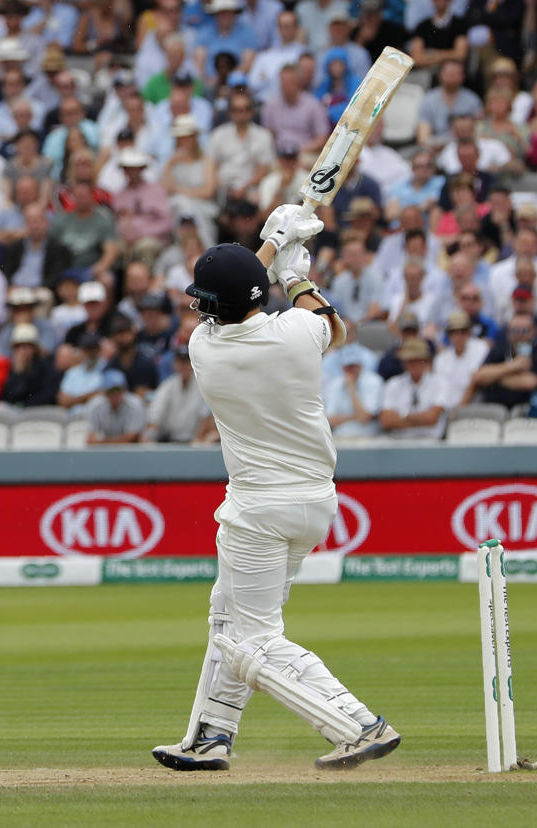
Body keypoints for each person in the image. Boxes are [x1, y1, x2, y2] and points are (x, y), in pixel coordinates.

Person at [152, 205, 400, 772]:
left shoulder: (204, 348)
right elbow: (333, 325)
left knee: (251, 642)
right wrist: (294, 271)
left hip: (258, 511)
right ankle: (211, 734)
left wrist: (272, 244)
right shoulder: (300, 332)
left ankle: (359, 724)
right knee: (227, 617)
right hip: (315, 503)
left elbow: (232, 297)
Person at [470, 312, 537, 410]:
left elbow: (530, 382)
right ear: (508, 331)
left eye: (524, 330)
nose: (519, 334)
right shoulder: (500, 348)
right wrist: (513, 366)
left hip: (526, 407)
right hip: (494, 405)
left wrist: (494, 378)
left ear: (534, 331)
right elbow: (478, 376)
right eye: (514, 330)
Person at [379, 338, 447, 439]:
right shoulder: (394, 384)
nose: (413, 364)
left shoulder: (439, 383)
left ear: (425, 361)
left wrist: (403, 415)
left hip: (430, 443)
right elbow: (386, 421)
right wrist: (421, 420)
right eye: (409, 360)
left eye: (417, 360)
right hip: (400, 442)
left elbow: (432, 418)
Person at [85, 370, 146, 444]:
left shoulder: (135, 404)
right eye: (111, 392)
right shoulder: (95, 405)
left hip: (130, 452)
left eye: (118, 391)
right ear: (105, 393)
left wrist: (102, 442)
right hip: (103, 452)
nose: (115, 396)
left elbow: (132, 438)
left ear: (124, 390)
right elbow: (90, 438)